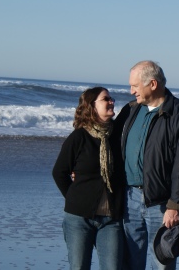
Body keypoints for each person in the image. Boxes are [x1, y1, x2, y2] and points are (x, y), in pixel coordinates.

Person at [116, 60, 179, 270]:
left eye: (135, 85)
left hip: (162, 204)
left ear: (152, 84)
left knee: (161, 264)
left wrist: (176, 206)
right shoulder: (131, 110)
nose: (131, 90)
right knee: (130, 263)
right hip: (129, 198)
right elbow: (109, 144)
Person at [52, 87, 125, 270]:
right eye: (106, 99)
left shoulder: (119, 136)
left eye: (111, 98)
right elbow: (59, 172)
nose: (111, 102)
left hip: (111, 219)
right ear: (92, 106)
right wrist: (75, 198)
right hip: (79, 218)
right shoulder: (79, 137)